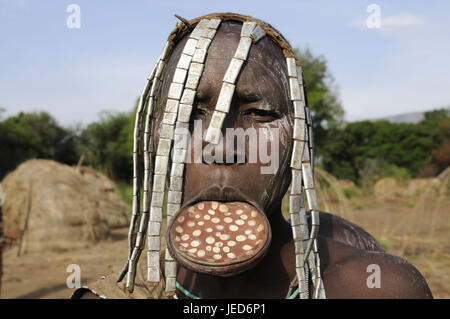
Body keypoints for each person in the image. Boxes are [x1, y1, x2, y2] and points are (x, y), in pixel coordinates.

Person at [73, 13, 432, 299]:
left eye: (259, 114)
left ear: (299, 138)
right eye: (189, 115)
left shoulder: (373, 288)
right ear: (155, 138)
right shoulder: (121, 294)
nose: (222, 147)